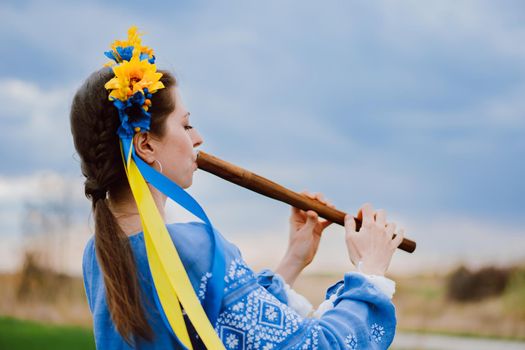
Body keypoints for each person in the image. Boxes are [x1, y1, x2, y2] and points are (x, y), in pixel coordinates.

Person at [71, 28, 404, 350]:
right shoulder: (192, 248)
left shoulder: (99, 251)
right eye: (185, 124)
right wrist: (370, 272)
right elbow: (316, 346)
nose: (197, 138)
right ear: (145, 145)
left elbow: (222, 322)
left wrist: (293, 259)